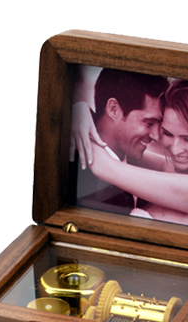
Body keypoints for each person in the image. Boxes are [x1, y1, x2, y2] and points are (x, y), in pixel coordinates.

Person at [84, 79, 188, 230]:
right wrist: (84, 112)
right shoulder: (169, 168)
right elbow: (120, 150)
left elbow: (104, 167)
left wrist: (78, 112)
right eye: (167, 133)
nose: (175, 149)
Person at [71, 66, 169, 214]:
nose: (156, 136)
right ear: (114, 109)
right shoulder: (84, 185)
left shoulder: (129, 160)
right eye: (149, 123)